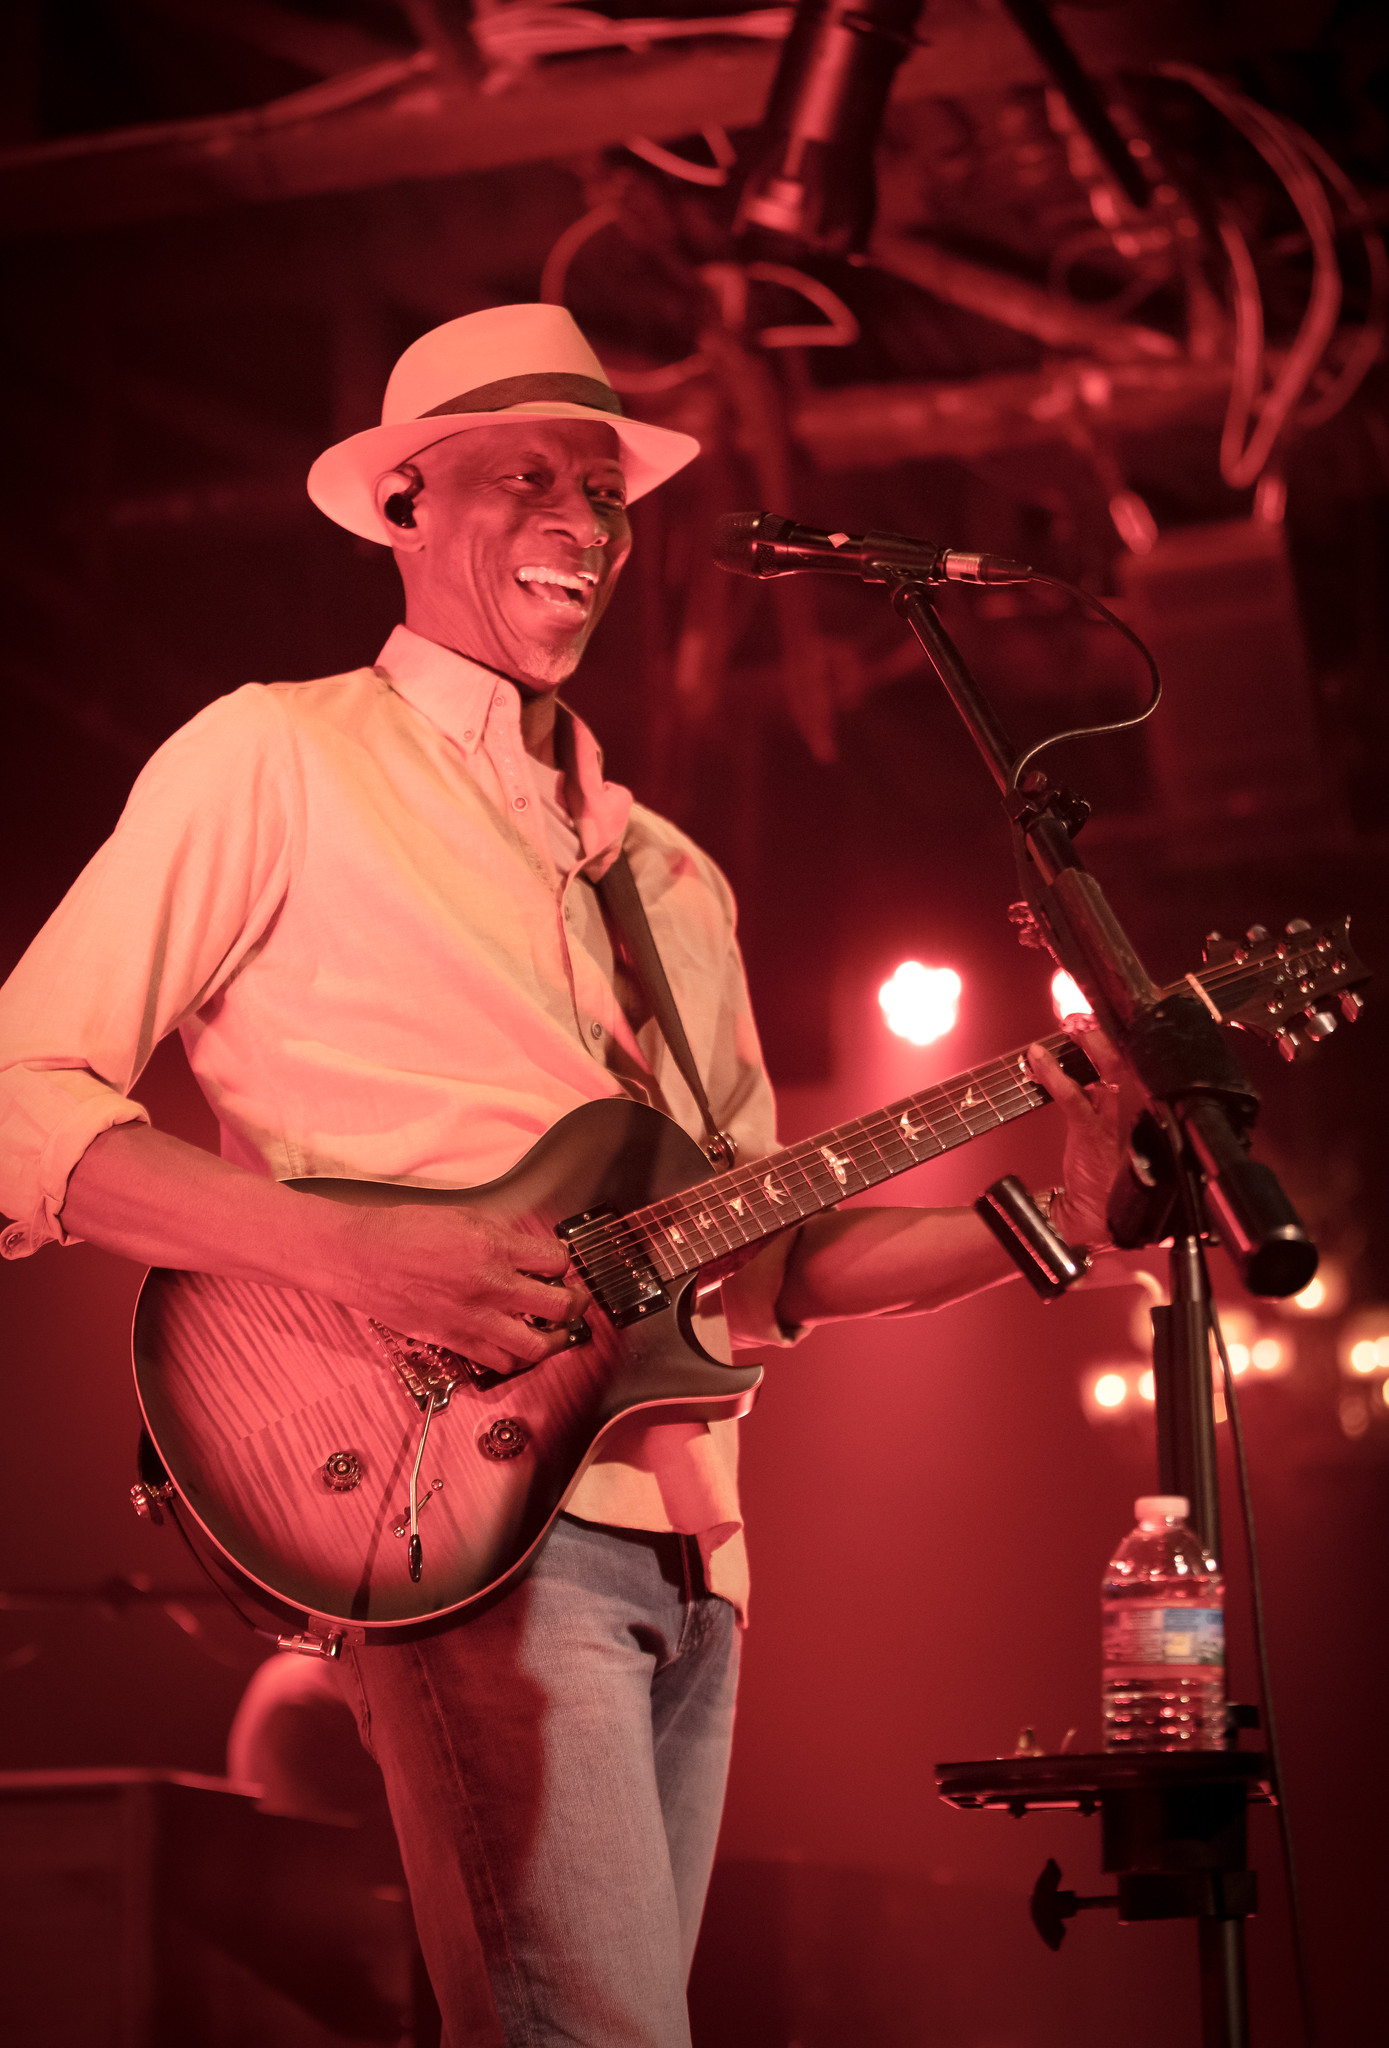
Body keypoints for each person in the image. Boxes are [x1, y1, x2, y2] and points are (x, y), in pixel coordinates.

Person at [0, 302, 1124, 2047]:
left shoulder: (670, 875)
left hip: (694, 1556)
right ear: (402, 505)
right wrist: (363, 1261)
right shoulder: (275, 755)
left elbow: (770, 1263)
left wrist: (1052, 1218)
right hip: (448, 1516)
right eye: (524, 476)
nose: (583, 521)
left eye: (603, 490)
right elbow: (20, 1105)